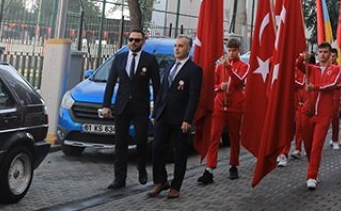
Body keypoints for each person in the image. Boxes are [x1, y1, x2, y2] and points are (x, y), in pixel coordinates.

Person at [99, 29, 161, 189]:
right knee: (120, 144)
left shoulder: (150, 60)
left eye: (137, 40)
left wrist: (156, 112)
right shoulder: (120, 58)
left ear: (143, 42)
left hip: (141, 107)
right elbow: (111, 82)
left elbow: (157, 86)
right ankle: (119, 178)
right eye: (131, 39)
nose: (133, 42)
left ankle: (141, 168)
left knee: (141, 139)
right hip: (122, 106)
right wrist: (106, 105)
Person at [148, 35, 202, 200]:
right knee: (157, 148)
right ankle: (160, 181)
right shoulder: (170, 66)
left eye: (180, 46)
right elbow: (162, 92)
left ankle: (176, 186)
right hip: (163, 116)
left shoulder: (194, 70)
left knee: (179, 153)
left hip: (180, 119)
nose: (177, 49)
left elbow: (194, 97)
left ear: (188, 49)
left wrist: (188, 119)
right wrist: (155, 113)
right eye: (175, 46)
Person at [197, 38, 249, 185]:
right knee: (214, 136)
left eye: (234, 50)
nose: (231, 53)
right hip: (219, 105)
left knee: (234, 137)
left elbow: (240, 80)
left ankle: (233, 165)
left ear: (239, 50)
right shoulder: (219, 67)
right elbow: (212, 86)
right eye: (229, 50)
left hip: (235, 106)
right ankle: (209, 169)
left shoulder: (244, 66)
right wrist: (220, 87)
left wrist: (230, 69)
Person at [299, 42, 341, 190]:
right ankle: (312, 166)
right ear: (317, 53)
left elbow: (334, 84)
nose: (323, 54)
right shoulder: (312, 69)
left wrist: (315, 87)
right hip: (307, 112)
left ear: (330, 54)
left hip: (324, 115)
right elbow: (297, 65)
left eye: (326, 52)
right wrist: (302, 57)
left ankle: (312, 176)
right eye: (320, 52)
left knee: (316, 147)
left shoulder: (338, 69)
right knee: (308, 145)